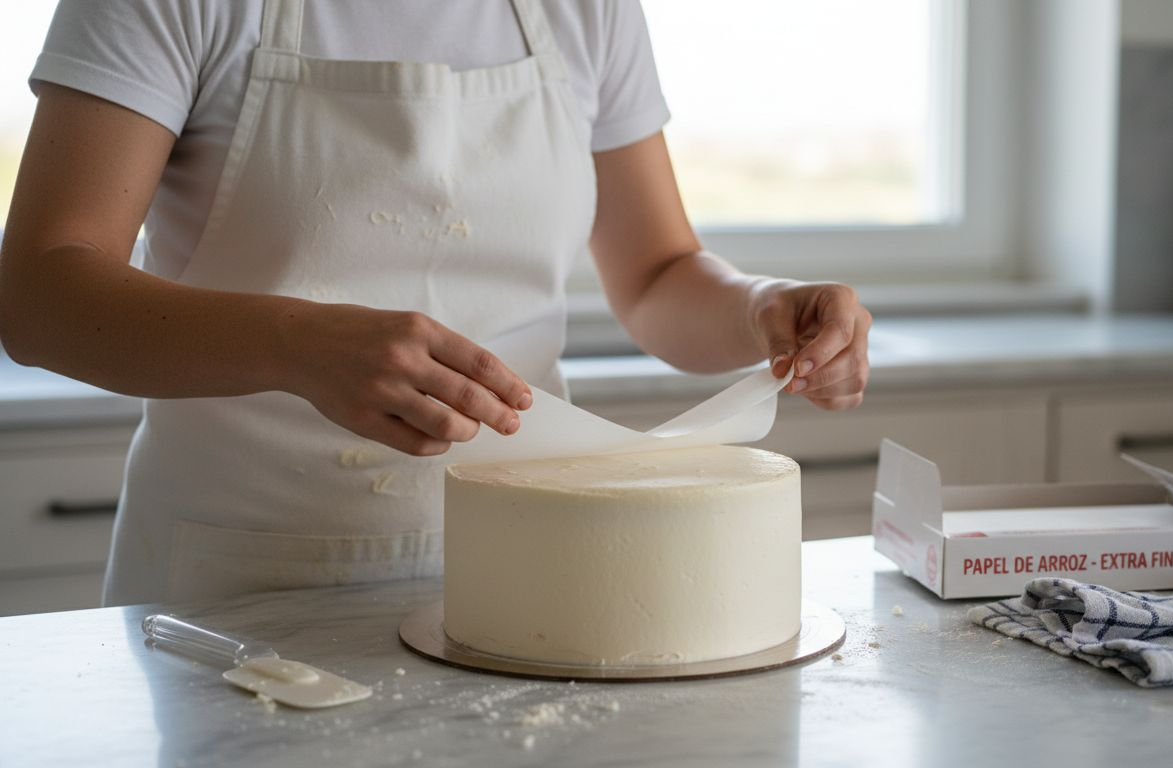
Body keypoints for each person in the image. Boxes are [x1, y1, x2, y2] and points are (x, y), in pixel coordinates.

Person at [0, 0, 872, 605]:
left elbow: (656, 272)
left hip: (529, 574)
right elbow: (40, 293)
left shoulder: (588, 11)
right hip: (235, 589)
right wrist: (297, 343)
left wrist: (763, 307)